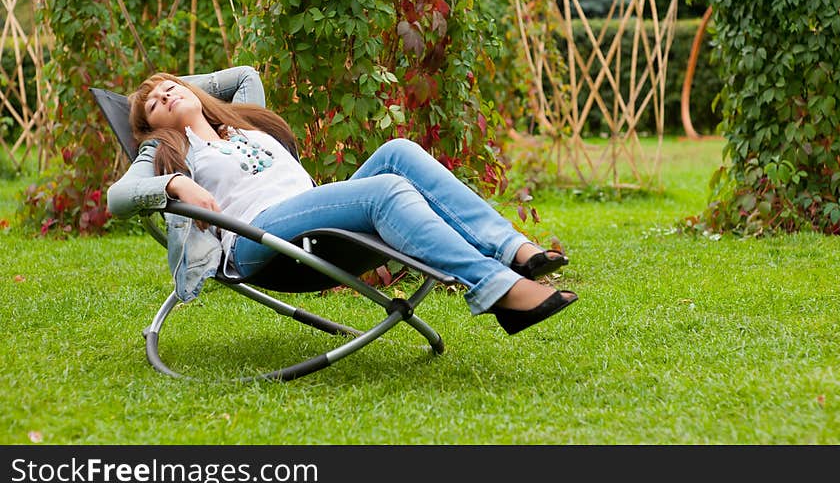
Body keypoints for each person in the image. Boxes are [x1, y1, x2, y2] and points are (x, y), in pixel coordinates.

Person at [107, 66, 577, 335]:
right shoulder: (166, 151)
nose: (165, 94)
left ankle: (514, 250)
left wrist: (179, 87)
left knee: (398, 152)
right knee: (384, 190)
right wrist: (176, 185)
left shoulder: (243, 120)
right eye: (153, 103)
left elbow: (244, 73)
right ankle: (496, 289)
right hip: (260, 239)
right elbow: (120, 197)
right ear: (149, 126)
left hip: (310, 213)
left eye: (171, 87)